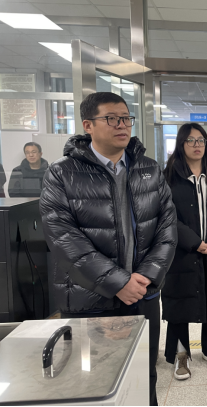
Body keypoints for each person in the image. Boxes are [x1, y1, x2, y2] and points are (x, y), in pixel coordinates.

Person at [40, 92, 177, 407]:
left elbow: (167, 227)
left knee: (143, 377)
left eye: (126, 118)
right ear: (88, 125)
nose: (122, 125)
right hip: (90, 300)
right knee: (93, 384)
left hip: (143, 296)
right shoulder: (62, 173)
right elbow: (62, 238)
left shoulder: (149, 169)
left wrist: (146, 276)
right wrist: (117, 282)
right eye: (111, 119)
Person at [161, 123, 207, 381]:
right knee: (179, 301)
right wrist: (194, 242)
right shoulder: (168, 178)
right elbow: (166, 215)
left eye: (201, 140)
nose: (197, 145)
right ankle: (180, 353)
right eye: (191, 140)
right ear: (181, 144)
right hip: (183, 252)